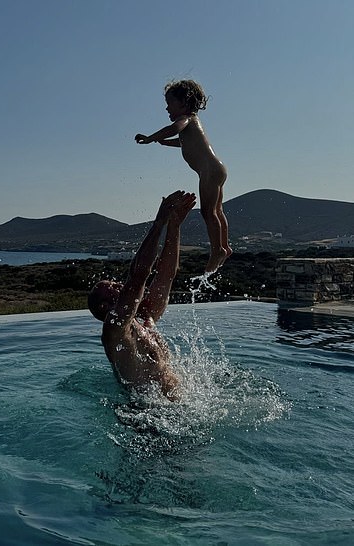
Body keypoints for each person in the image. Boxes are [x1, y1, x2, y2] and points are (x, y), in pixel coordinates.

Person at [88, 190, 196, 400]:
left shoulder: (144, 319)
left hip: (178, 408)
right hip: (147, 415)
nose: (118, 284)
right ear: (104, 306)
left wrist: (174, 226)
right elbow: (139, 275)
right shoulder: (115, 328)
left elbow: (166, 275)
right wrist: (159, 223)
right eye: (111, 285)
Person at [135, 80, 231, 272]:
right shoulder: (193, 125)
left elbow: (175, 128)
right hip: (217, 169)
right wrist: (165, 143)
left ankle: (217, 250)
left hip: (209, 172)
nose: (166, 107)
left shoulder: (187, 119)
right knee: (217, 210)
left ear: (185, 103)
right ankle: (225, 247)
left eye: (170, 103)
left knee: (208, 212)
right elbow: (183, 142)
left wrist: (150, 138)